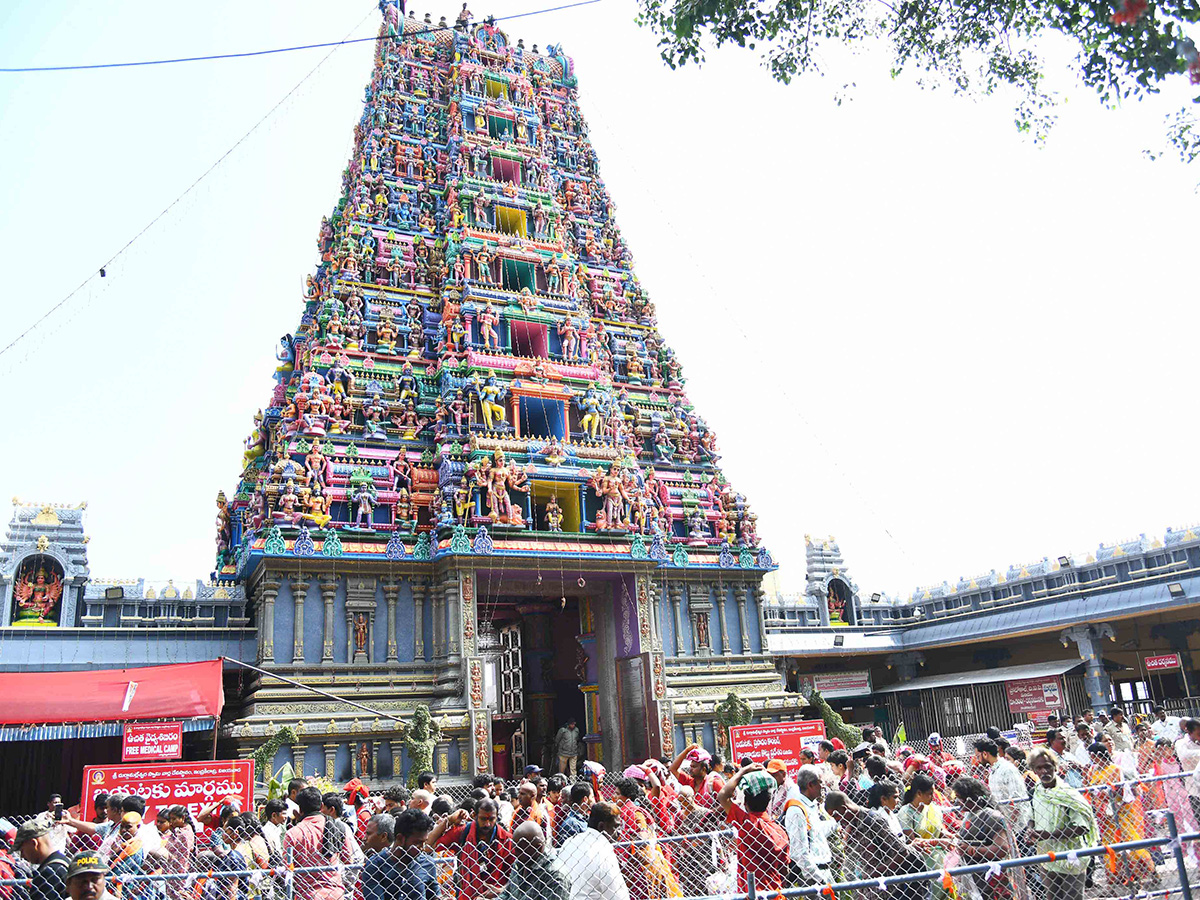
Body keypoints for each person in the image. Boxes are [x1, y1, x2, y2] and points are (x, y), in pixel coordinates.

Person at [824, 791, 929, 900]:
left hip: (891, 886)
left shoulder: (873, 820)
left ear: (844, 808)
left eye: (836, 815)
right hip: (872, 887)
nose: (836, 820)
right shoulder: (852, 825)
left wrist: (874, 874)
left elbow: (902, 852)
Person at [1028, 747, 1097, 900]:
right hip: (1047, 859)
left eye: (1047, 766)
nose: (1044, 771)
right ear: (1034, 770)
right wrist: (1030, 831)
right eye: (1039, 768)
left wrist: (1050, 835)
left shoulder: (1068, 795)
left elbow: (1081, 828)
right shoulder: (1036, 793)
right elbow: (1031, 817)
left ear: (1055, 767)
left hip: (1071, 859)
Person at [1086, 742, 1156, 886]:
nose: (1091, 759)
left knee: (1131, 841)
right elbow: (1090, 789)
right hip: (1104, 817)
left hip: (1120, 812)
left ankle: (1150, 872)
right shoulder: (1093, 770)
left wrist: (1107, 796)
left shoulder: (1116, 770)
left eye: (1092, 756)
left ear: (1097, 755)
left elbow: (1122, 792)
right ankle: (1117, 878)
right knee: (1110, 846)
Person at [715, 763, 789, 894]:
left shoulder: (747, 824)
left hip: (751, 892)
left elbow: (722, 796)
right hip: (775, 892)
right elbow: (784, 870)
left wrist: (743, 771)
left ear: (745, 803)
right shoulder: (780, 832)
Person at [283, 787, 358, 900]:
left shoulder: (292, 834)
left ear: (299, 809)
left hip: (307, 894)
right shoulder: (337, 827)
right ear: (322, 806)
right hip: (335, 893)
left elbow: (287, 868)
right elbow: (348, 860)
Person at [429, 800, 512, 900]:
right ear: (474, 815)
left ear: (497, 816)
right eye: (483, 819)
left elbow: (516, 875)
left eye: (491, 819)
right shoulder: (463, 832)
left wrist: (501, 890)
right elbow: (428, 845)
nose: (487, 824)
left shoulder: (506, 839)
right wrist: (450, 820)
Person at [952, 778, 1012, 900]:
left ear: (971, 798)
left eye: (960, 798)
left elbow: (1002, 848)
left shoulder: (991, 816)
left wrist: (971, 850)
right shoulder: (970, 815)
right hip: (976, 876)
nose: (957, 802)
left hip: (991, 877)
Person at [362, 809, 438, 900]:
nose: (422, 847)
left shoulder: (427, 863)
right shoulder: (375, 865)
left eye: (424, 842)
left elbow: (434, 896)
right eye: (417, 843)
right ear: (400, 838)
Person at [559, 802, 629, 900]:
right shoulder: (603, 850)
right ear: (601, 826)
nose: (619, 832)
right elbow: (618, 895)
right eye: (615, 827)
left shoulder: (570, 842)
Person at [785, 765, 836, 886]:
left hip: (823, 871)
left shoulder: (811, 806)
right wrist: (819, 879)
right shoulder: (797, 810)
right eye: (820, 782)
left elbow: (817, 832)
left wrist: (835, 823)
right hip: (810, 878)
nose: (822, 786)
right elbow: (799, 853)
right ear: (810, 785)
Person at [497, 822, 569, 900]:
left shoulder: (555, 876)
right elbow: (507, 894)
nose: (514, 853)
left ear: (538, 848)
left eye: (519, 850)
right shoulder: (520, 863)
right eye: (515, 847)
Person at [16, 821, 68, 900]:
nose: (22, 856)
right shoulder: (65, 862)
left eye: (22, 850)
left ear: (34, 843)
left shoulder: (48, 873)